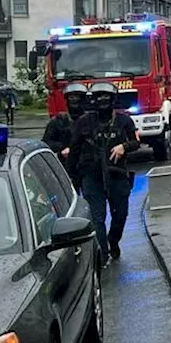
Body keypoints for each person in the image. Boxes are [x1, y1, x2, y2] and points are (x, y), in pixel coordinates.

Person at [70, 81, 140, 264]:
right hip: (91, 176)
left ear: (113, 99)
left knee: (120, 215)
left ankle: (113, 241)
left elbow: (135, 142)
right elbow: (74, 151)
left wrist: (124, 147)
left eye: (106, 97)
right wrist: (72, 179)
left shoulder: (124, 120)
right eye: (99, 97)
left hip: (117, 175)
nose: (102, 101)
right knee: (97, 217)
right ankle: (103, 253)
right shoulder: (83, 123)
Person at [43, 83, 89, 188]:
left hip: (88, 168)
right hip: (66, 167)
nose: (75, 100)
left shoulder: (91, 120)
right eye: (72, 97)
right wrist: (63, 148)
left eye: (78, 97)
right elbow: (46, 142)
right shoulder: (58, 121)